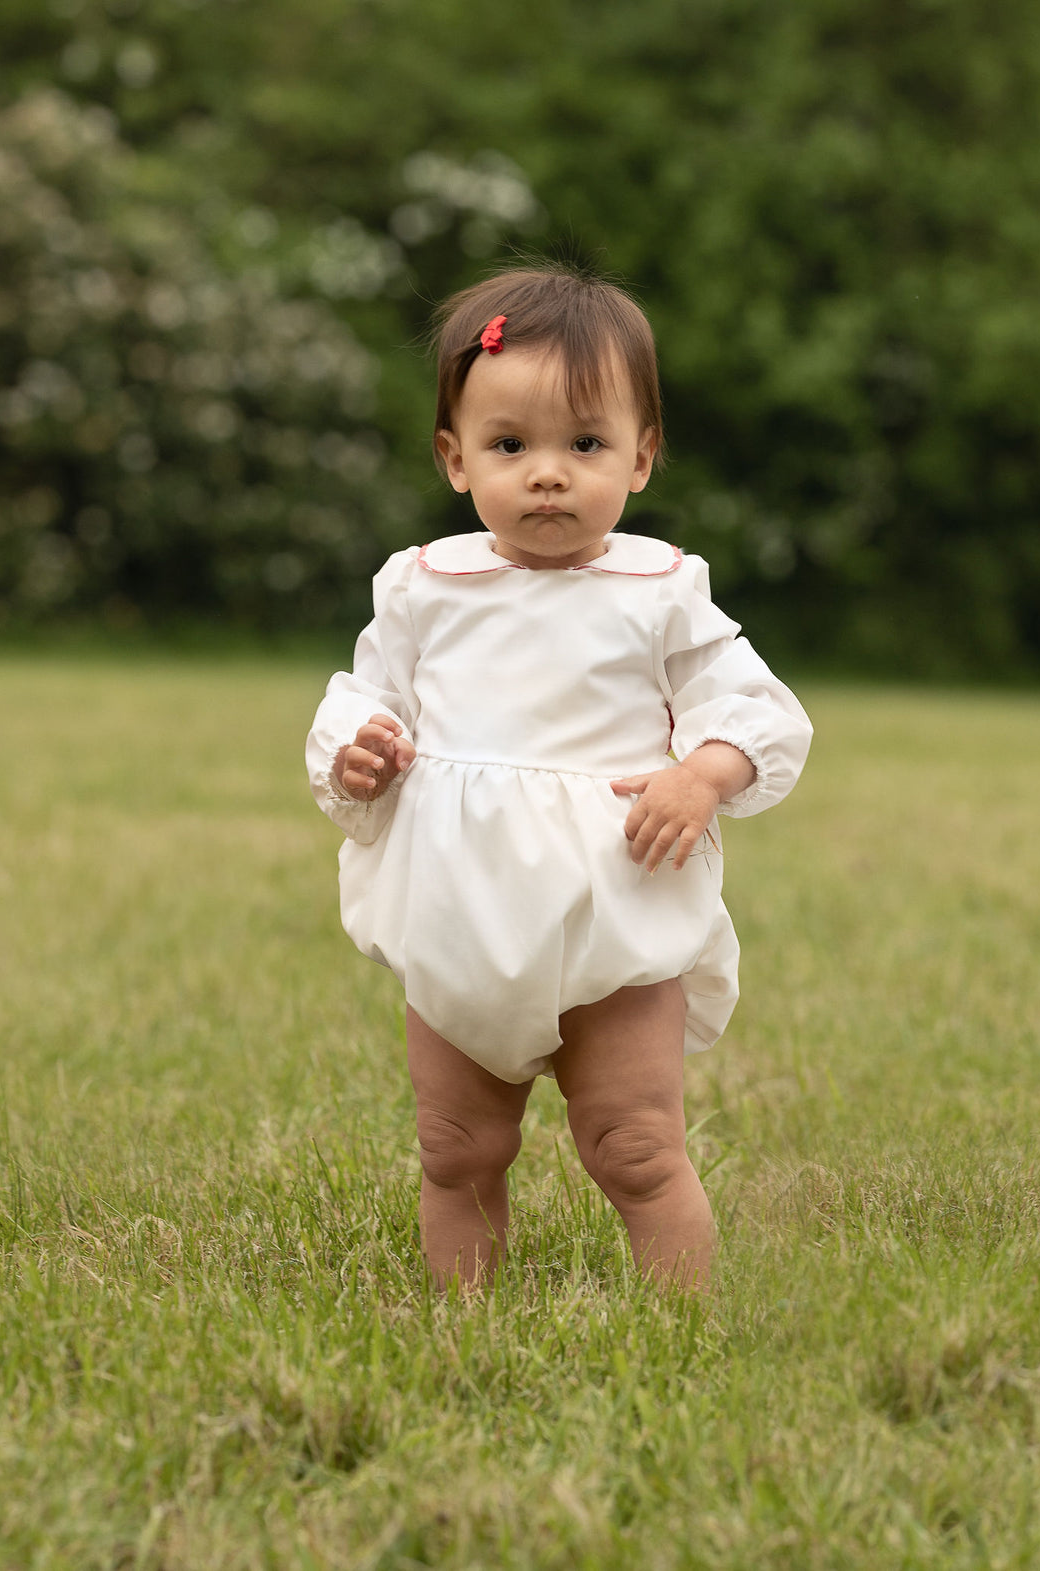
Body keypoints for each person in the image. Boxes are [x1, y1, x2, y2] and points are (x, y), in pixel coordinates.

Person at [306, 264, 812, 1291]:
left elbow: (753, 706)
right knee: (457, 1144)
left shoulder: (661, 589)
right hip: (462, 903)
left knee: (632, 1141)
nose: (548, 472)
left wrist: (704, 774)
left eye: (585, 444)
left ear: (642, 456)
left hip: (615, 900)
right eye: (509, 445)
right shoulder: (423, 586)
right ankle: (465, 1323)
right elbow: (366, 696)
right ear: (456, 458)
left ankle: (682, 1327)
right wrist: (360, 746)